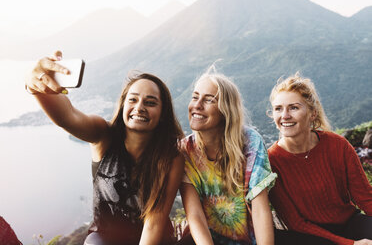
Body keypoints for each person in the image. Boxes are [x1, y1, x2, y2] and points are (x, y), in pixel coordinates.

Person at [25, 51, 184, 245]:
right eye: (132, 100)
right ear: (123, 105)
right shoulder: (103, 136)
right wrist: (36, 87)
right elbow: (67, 117)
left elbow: (154, 224)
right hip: (105, 237)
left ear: (163, 115)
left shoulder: (170, 157)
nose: (140, 107)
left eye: (150, 103)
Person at [267, 73, 372, 245]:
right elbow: (295, 222)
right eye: (278, 108)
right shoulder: (272, 161)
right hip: (308, 236)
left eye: (293, 107)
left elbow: (366, 198)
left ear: (312, 113)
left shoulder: (337, 145)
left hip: (349, 223)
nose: (284, 115)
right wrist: (350, 244)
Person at [179, 66, 277, 245]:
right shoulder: (185, 150)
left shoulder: (250, 142)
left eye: (209, 100)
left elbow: (260, 208)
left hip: (251, 239)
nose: (197, 105)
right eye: (195, 97)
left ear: (226, 110)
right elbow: (195, 215)